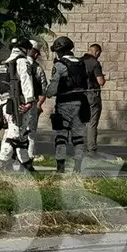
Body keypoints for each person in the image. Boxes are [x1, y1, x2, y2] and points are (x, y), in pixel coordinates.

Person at [0, 38, 40, 173]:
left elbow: (1, 88)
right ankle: (1, 166)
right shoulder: (22, 61)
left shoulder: (3, 64)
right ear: (25, 49)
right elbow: (26, 82)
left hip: (5, 104)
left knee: (21, 135)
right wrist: (29, 102)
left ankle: (27, 165)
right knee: (14, 136)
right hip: (18, 104)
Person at [49, 36, 89, 174]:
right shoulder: (81, 63)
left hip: (64, 105)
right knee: (78, 137)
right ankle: (77, 168)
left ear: (59, 51)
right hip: (81, 103)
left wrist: (46, 93)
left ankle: (60, 169)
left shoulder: (59, 65)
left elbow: (52, 89)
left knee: (61, 136)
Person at [82, 43, 107, 153]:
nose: (99, 56)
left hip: (80, 95)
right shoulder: (94, 63)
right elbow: (100, 81)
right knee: (92, 123)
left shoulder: (79, 61)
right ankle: (91, 148)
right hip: (92, 95)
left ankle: (80, 147)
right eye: (99, 54)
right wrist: (104, 78)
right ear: (97, 52)